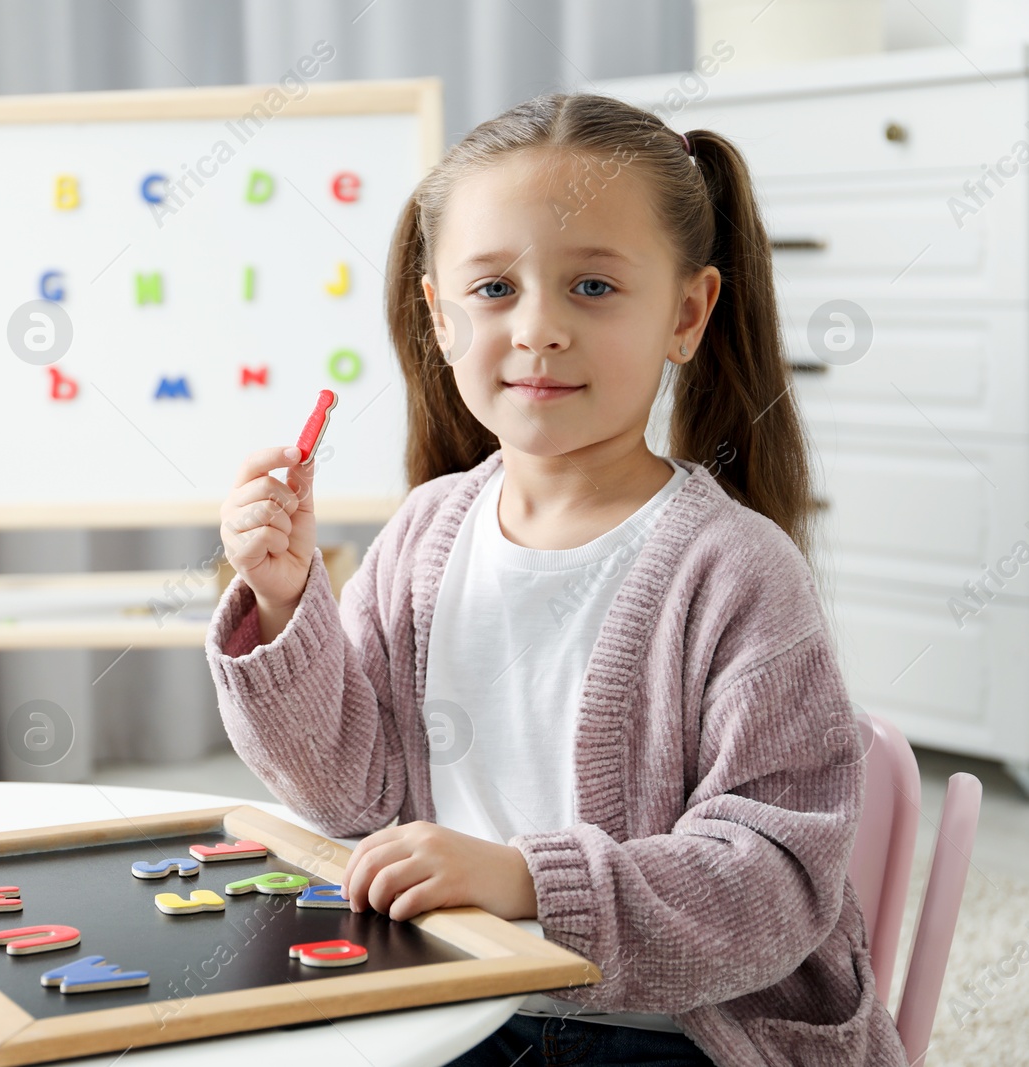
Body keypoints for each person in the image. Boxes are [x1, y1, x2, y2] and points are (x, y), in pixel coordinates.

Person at [206, 92, 908, 1066]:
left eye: (591, 287)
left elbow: (774, 882)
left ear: (687, 312)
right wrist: (286, 601)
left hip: (678, 1030)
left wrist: (525, 880)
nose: (537, 328)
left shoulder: (739, 571)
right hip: (459, 986)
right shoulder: (421, 536)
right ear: (437, 316)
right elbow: (351, 796)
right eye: (493, 289)